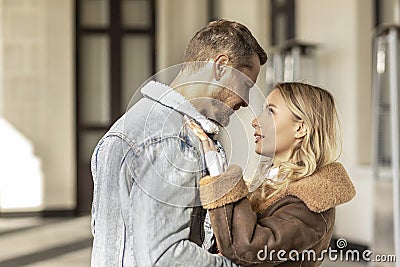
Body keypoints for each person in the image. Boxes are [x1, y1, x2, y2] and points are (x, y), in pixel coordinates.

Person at [90, 19, 267, 266]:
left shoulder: (136, 124)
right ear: (221, 66)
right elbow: (164, 257)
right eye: (246, 84)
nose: (246, 101)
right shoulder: (170, 139)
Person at [190, 82, 356, 266]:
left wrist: (219, 173)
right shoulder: (269, 183)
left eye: (270, 112)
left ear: (300, 129)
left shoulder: (311, 204)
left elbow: (246, 250)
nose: (256, 121)